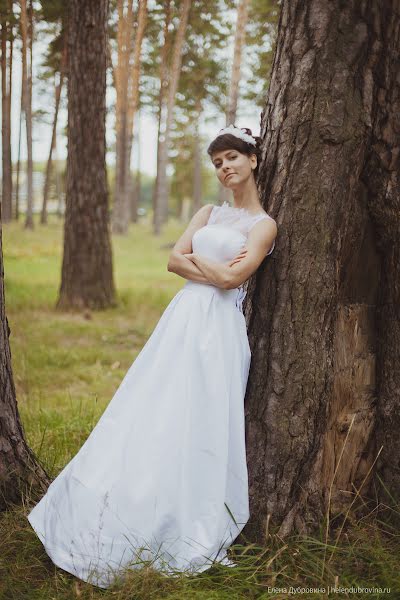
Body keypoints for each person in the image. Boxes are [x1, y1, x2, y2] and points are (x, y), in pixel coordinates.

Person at [27, 124, 278, 589]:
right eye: (218, 162)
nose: (225, 168)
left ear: (254, 160)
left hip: (219, 329)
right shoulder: (208, 212)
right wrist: (215, 265)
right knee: (154, 404)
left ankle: (187, 509)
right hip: (182, 318)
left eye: (232, 158)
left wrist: (204, 264)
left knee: (201, 415)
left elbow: (229, 281)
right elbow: (173, 261)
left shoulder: (264, 226)